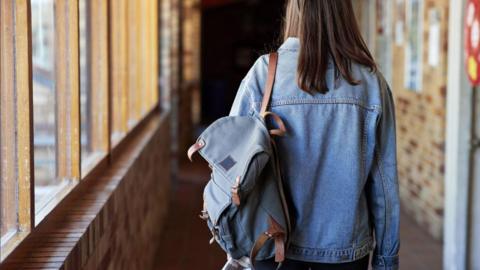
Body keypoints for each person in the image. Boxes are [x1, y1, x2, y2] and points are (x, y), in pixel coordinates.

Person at [228, 0, 400, 269]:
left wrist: (234, 249)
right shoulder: (370, 83)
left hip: (271, 245)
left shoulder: (263, 74)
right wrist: (386, 260)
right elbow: (385, 187)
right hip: (345, 252)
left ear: (295, 11)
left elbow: (232, 168)